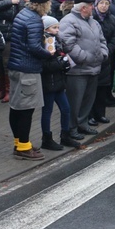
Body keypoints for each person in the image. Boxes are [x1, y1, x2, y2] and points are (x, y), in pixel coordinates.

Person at [7, 0, 55, 160]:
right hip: (28, 69)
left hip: (16, 66)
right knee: (26, 109)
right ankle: (23, 148)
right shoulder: (34, 20)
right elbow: (34, 47)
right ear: (43, 3)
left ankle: (19, 143)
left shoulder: (23, 14)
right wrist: (49, 54)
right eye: (49, 2)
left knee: (16, 107)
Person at [59, 0, 109, 137]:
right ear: (83, 8)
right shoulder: (68, 21)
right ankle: (71, 128)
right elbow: (68, 43)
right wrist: (84, 57)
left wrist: (103, 54)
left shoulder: (93, 22)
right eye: (90, 6)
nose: (93, 8)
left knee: (88, 100)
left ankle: (83, 123)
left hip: (94, 68)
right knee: (75, 101)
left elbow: (102, 40)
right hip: (78, 70)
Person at [39, 16, 80, 150]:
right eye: (54, 28)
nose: (57, 30)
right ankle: (46, 138)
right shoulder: (45, 41)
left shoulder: (57, 40)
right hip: (49, 81)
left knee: (66, 108)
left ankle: (65, 135)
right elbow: (46, 64)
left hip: (58, 80)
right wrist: (61, 63)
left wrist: (63, 62)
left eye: (58, 27)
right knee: (47, 110)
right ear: (46, 29)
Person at [90, 0, 115, 126]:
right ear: (97, 4)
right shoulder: (91, 18)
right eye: (101, 3)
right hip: (93, 56)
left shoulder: (112, 19)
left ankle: (100, 114)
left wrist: (107, 49)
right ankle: (89, 115)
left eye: (106, 3)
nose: (104, 6)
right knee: (92, 89)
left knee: (103, 87)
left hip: (106, 56)